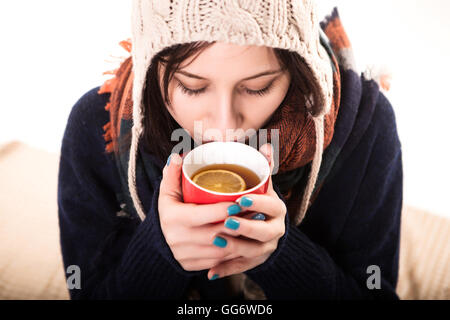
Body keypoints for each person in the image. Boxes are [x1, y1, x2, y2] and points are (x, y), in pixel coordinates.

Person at [58, 1, 403, 300]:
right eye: (192, 87)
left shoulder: (364, 126)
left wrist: (282, 256)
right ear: (152, 66)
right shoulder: (98, 126)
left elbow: (374, 290)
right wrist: (158, 252)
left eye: (258, 87)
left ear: (301, 70)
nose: (225, 126)